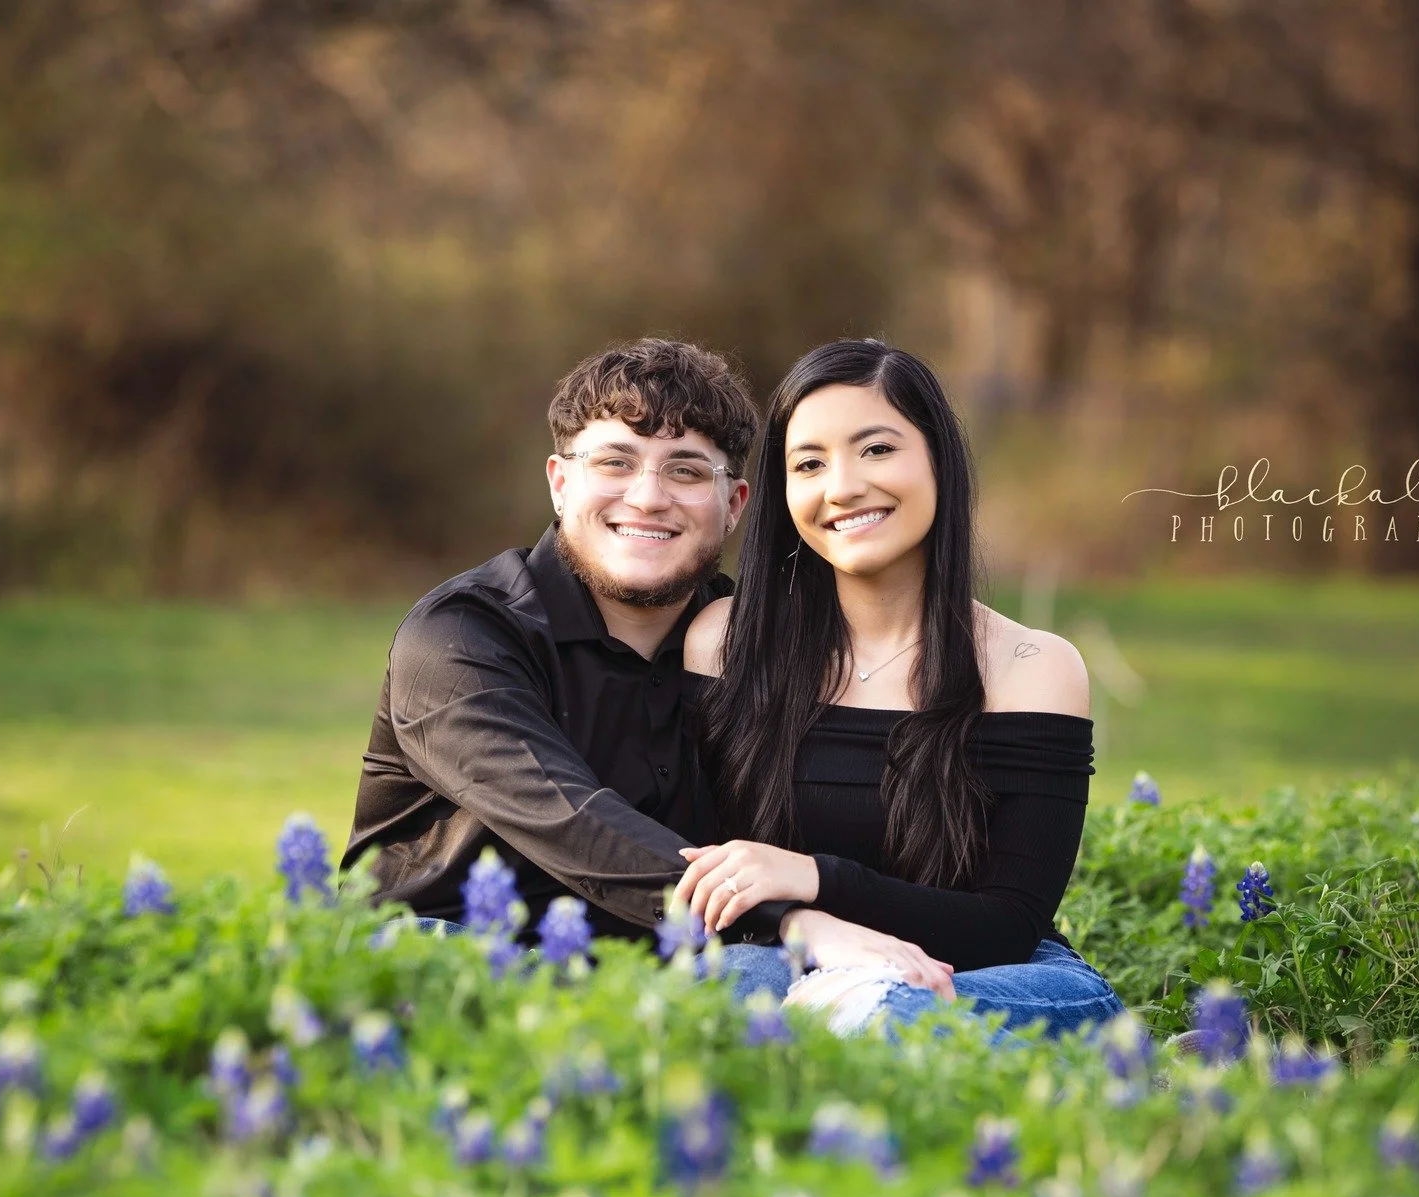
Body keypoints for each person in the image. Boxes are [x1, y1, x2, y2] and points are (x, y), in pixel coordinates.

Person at [676, 337, 1123, 1042]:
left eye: (877, 449)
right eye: (809, 464)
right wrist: (806, 925)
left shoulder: (1031, 666)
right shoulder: (725, 643)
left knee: (891, 1016)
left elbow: (1008, 923)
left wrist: (811, 876)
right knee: (727, 991)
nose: (843, 485)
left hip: (983, 977)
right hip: (784, 957)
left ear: (939, 461)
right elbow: (694, 875)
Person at [346, 338, 826, 948]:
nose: (648, 497)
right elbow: (567, 817)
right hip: (452, 973)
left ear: (733, 505)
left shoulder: (755, 647)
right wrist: (789, 921)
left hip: (668, 987)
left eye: (684, 470)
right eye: (614, 463)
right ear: (560, 482)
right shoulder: (459, 636)